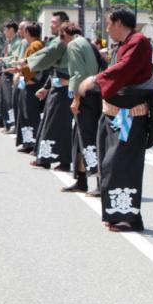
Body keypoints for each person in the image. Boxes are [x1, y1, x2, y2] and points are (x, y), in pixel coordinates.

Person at [78, 7, 153, 232]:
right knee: (109, 163)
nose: (106, 29)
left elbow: (124, 70)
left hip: (130, 116)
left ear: (118, 23)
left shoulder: (139, 41)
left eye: (108, 24)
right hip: (113, 114)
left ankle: (130, 217)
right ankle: (117, 213)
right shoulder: (122, 45)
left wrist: (96, 79)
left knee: (124, 164)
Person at [60, 23, 102, 193]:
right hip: (96, 93)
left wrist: (76, 99)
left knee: (88, 138)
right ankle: (82, 179)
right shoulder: (88, 43)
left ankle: (99, 181)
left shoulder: (73, 45)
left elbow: (78, 74)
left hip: (86, 95)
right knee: (79, 139)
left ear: (65, 34)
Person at [28, 12, 73, 171]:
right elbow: (53, 66)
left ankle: (63, 160)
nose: (51, 25)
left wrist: (26, 62)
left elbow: (47, 57)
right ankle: (45, 157)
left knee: (60, 123)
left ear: (63, 24)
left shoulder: (63, 41)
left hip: (66, 85)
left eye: (54, 22)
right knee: (50, 120)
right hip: (57, 82)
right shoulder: (58, 40)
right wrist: (46, 87)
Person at [9, 23, 44, 152]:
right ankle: (28, 142)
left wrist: (20, 69)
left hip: (31, 84)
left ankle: (32, 143)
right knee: (26, 115)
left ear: (28, 33)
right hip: (30, 83)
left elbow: (32, 65)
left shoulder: (34, 46)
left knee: (30, 115)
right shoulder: (37, 44)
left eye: (24, 31)